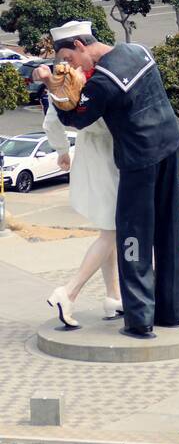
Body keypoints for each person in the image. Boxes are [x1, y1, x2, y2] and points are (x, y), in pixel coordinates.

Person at [36, 21, 179, 340]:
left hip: (139, 159)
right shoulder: (139, 51)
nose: (70, 67)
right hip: (170, 144)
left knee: (132, 238)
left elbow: (74, 117)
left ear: (80, 45)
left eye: (70, 60)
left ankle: (140, 319)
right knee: (169, 229)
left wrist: (51, 85)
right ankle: (171, 311)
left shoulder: (103, 82)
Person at [41, 61, 123, 330]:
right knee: (110, 232)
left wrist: (62, 150)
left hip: (88, 156)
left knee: (107, 229)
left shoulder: (61, 84)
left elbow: (52, 121)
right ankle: (69, 292)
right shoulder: (98, 81)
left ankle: (113, 296)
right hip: (111, 157)